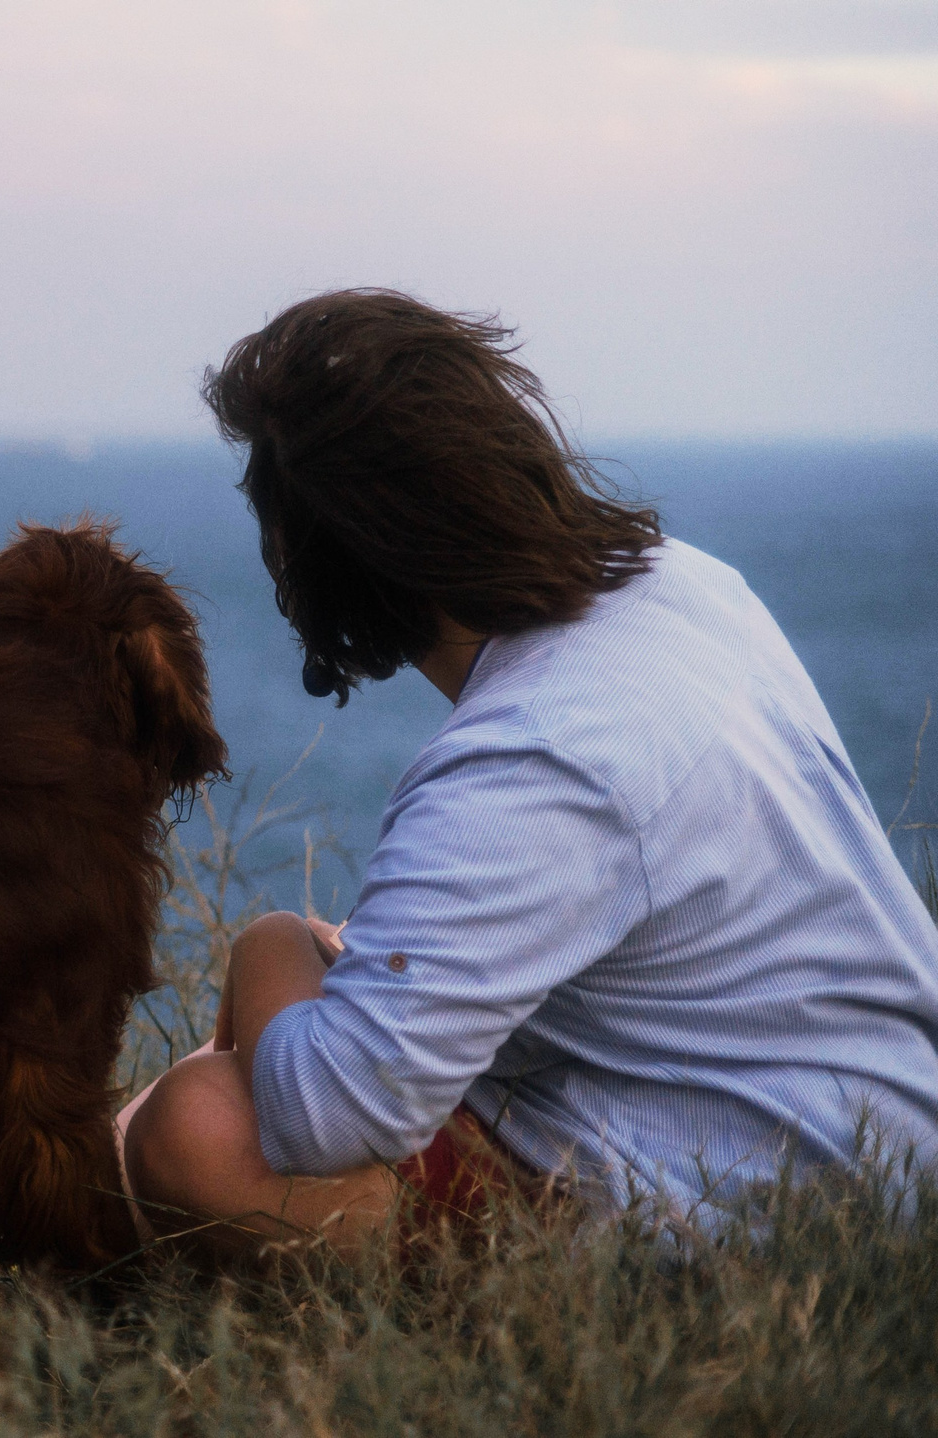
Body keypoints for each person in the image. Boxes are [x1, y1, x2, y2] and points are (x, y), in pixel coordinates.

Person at [118, 289, 938, 1255]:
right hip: (877, 1121)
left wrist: (271, 942)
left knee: (199, 1128)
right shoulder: (680, 586)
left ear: (337, 562)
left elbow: (325, 1116)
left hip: (785, 1207)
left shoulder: (532, 755)